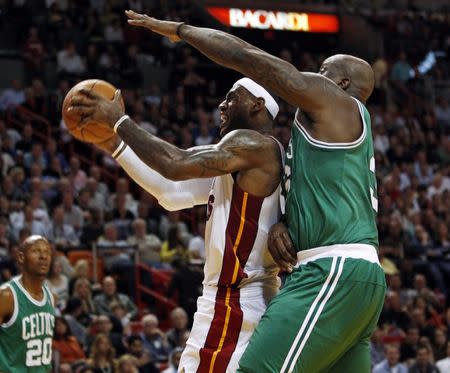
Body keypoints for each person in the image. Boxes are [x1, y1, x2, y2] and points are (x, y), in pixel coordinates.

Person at [121, 10, 386, 373]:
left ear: (340, 85)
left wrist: (182, 31)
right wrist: (285, 224)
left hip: (332, 269)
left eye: (323, 72)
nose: (314, 77)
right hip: (362, 278)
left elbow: (250, 58)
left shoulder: (337, 104)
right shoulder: (321, 141)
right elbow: (323, 197)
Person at [68, 75, 283, 372]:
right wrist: (114, 144)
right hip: (235, 301)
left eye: (232, 97)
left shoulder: (254, 147)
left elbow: (174, 163)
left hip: (235, 302)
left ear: (258, 106)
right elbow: (171, 192)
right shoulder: (237, 161)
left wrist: (120, 122)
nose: (222, 104)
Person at [0, 235, 55, 372]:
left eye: (47, 252)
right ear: (21, 258)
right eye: (36, 251)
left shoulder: (50, 296)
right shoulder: (7, 296)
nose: (43, 256)